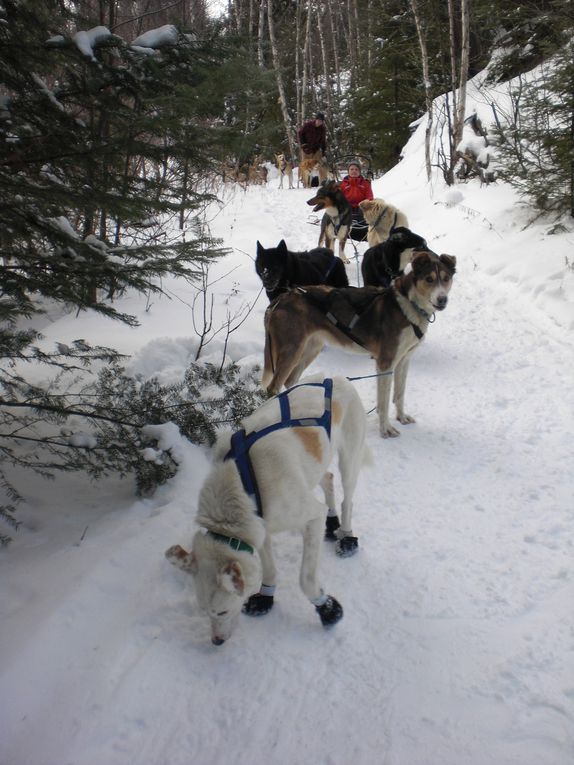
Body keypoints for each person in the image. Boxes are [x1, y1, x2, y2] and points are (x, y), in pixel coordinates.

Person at [340, 159, 373, 235]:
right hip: (347, 206)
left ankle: (363, 228)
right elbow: (339, 196)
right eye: (351, 169)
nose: (354, 171)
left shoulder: (365, 183)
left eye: (356, 169)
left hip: (361, 206)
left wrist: (368, 202)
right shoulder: (343, 184)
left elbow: (369, 196)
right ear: (348, 171)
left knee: (364, 211)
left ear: (359, 171)